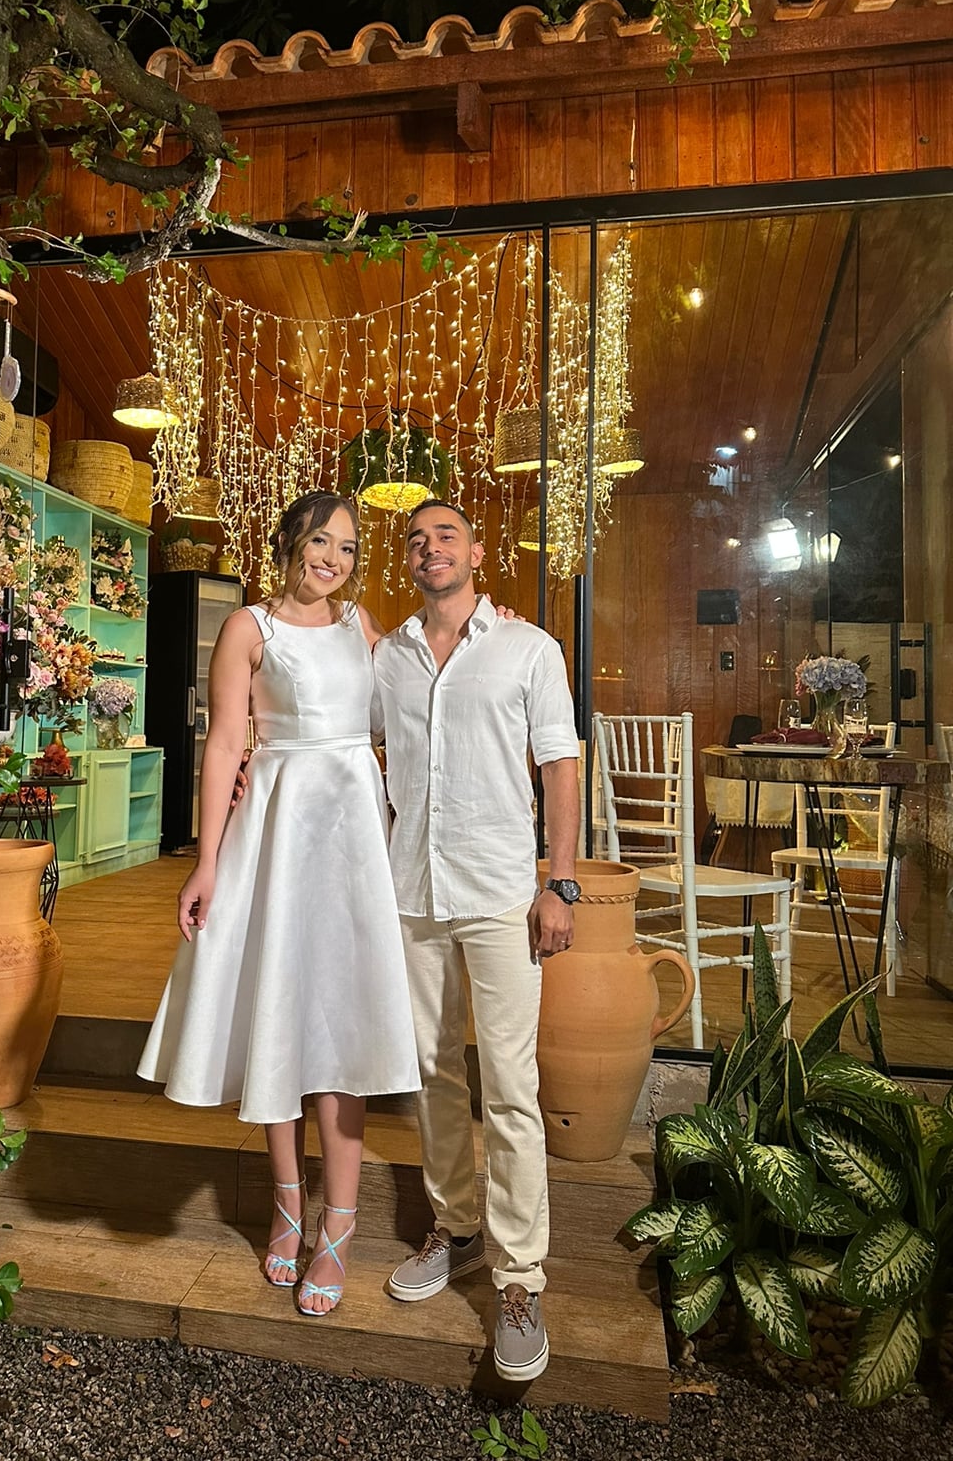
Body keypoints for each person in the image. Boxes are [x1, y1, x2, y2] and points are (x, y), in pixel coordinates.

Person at [137, 491, 420, 1317]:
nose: (333, 558)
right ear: (291, 543)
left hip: (353, 835)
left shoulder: (362, 626)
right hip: (277, 831)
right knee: (280, 1008)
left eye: (347, 547)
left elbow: (415, 698)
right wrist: (205, 863)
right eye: (320, 541)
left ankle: (341, 1223)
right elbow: (226, 743)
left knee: (343, 1019)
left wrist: (486, 619)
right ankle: (288, 1207)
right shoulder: (248, 628)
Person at [373, 498, 580, 1384]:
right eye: (416, 540)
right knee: (431, 1071)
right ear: (409, 562)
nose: (431, 548)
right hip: (412, 892)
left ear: (478, 553)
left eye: (446, 535)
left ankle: (520, 1278)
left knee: (510, 1084)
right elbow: (356, 748)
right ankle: (455, 1228)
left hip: (499, 893)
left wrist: (559, 882)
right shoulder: (387, 657)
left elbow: (560, 765)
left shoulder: (530, 648)